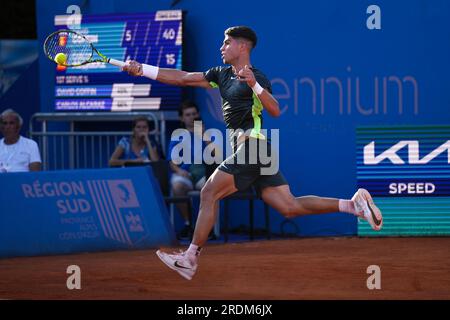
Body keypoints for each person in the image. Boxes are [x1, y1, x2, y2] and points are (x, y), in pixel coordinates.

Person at [123, 26, 383, 280]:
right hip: (254, 152)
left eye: (227, 43)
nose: (221, 47)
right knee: (289, 206)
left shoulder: (257, 77)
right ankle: (352, 205)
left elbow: (276, 110)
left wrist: (255, 85)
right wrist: (142, 69)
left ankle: (190, 258)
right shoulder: (220, 74)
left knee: (208, 192)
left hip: (254, 148)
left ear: (242, 46)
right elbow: (183, 77)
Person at [167, 101, 208, 240]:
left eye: (194, 114)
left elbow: (216, 156)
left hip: (203, 175)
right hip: (185, 174)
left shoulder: (208, 133)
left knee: (212, 188)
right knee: (177, 186)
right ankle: (188, 223)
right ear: (182, 118)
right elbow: (171, 162)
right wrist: (178, 171)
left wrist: (204, 136)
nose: (191, 117)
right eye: (188, 115)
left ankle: (208, 228)